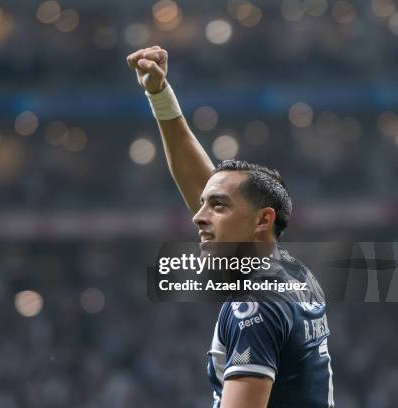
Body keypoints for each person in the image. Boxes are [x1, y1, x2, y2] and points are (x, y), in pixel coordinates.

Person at [126, 46, 335, 408]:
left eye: (216, 207)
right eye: (203, 204)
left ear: (262, 220)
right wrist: (160, 96)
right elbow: (207, 187)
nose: (197, 215)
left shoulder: (255, 305)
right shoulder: (290, 271)